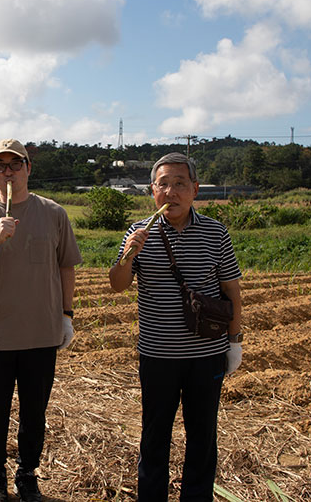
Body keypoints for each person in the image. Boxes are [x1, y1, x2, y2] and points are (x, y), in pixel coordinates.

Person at [108, 152, 243, 501]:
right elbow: (118, 284)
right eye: (163, 184)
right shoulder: (139, 232)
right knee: (154, 436)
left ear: (195, 189)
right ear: (152, 191)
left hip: (207, 355)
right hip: (157, 356)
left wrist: (235, 342)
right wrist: (129, 255)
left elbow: (232, 291)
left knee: (202, 436)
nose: (171, 191)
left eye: (180, 184)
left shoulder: (216, 233)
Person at [0, 139, 82, 502]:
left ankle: (27, 474)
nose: (8, 172)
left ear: (28, 168)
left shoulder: (53, 213)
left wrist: (66, 315)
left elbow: (66, 266)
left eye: (15, 164)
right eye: (0, 166)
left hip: (42, 333)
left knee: (35, 411)